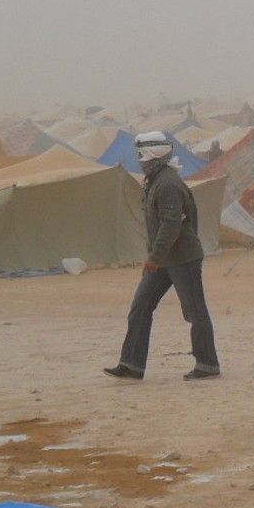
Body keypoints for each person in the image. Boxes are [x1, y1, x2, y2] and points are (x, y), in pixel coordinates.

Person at [104, 132, 220, 381]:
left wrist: (154, 257)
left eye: (142, 155)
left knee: (194, 311)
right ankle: (131, 364)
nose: (140, 161)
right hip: (164, 258)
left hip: (181, 258)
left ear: (152, 155)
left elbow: (171, 225)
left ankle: (208, 364)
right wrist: (156, 256)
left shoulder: (167, 183)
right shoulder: (155, 180)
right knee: (140, 307)